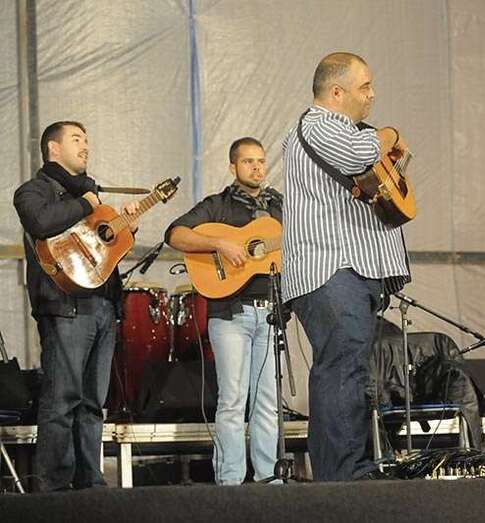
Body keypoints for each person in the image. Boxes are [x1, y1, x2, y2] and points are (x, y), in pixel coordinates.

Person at [281, 52, 410, 481]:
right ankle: (343, 477)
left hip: (351, 270)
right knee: (341, 369)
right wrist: (389, 134)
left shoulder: (344, 132)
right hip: (332, 268)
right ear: (336, 93)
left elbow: (371, 173)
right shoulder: (320, 124)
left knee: (348, 370)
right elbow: (359, 155)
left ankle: (344, 472)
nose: (372, 95)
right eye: (364, 86)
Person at [14, 121, 138, 491]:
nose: (86, 146)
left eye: (87, 139)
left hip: (102, 307)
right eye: (76, 139)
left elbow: (101, 251)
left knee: (92, 403)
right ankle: (54, 489)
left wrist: (126, 228)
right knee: (62, 399)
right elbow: (40, 222)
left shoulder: (92, 196)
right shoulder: (34, 191)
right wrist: (86, 203)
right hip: (65, 307)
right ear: (53, 148)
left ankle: (90, 483)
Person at [165, 137, 282, 485]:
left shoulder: (279, 206)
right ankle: (230, 482)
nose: (256, 167)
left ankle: (268, 479)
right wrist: (219, 243)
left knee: (267, 402)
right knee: (232, 401)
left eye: (260, 161)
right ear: (233, 167)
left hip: (270, 314)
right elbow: (175, 234)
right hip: (230, 315)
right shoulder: (217, 206)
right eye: (248, 161)